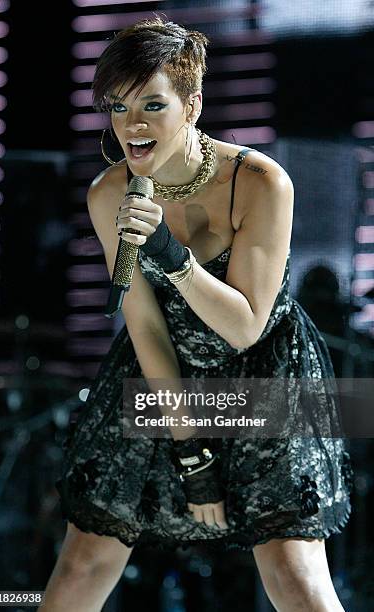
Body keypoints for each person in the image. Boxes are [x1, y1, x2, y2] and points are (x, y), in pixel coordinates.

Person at [40, 16, 353, 612]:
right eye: (118, 106)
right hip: (166, 377)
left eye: (152, 106)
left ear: (193, 103)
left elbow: (244, 327)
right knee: (81, 565)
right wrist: (190, 451)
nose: (132, 126)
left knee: (294, 574)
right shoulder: (110, 195)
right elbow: (146, 329)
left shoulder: (260, 182)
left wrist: (170, 255)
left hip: (264, 376)